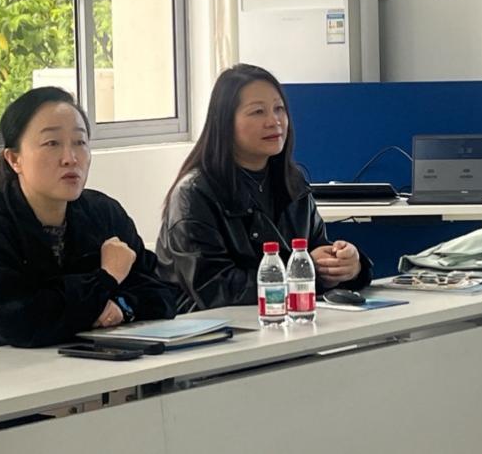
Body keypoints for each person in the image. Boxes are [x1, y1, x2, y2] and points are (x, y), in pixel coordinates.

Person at [0, 87, 176, 359]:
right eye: (52, 143)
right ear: (14, 159)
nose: (70, 158)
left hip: (79, 369)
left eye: (80, 142)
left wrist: (123, 307)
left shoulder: (104, 214)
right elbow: (20, 323)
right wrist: (106, 278)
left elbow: (162, 292)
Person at [156, 64, 372, 312]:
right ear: (225, 122)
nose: (274, 121)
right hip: (214, 327)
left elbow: (316, 251)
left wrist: (348, 266)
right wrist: (303, 270)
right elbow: (215, 288)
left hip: (285, 319)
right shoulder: (194, 193)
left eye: (279, 109)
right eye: (258, 112)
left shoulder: (293, 182)